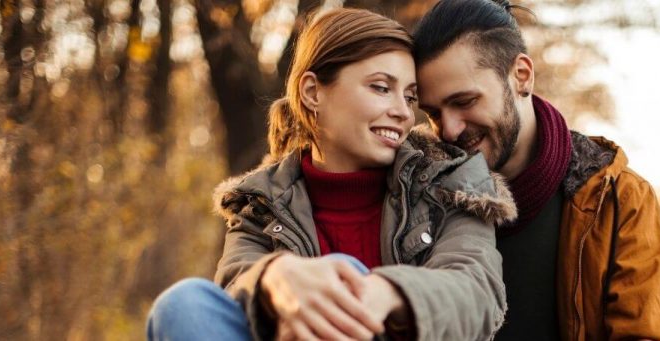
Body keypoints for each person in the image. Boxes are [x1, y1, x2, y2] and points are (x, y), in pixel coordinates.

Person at [147, 7, 515, 341]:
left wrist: (383, 294)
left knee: (343, 271)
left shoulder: (450, 181)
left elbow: (477, 290)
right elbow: (234, 285)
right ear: (312, 92)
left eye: (410, 96)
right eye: (382, 88)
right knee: (182, 305)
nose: (404, 112)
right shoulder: (261, 203)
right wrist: (276, 277)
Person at [411, 0, 660, 340]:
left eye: (464, 102)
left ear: (521, 76)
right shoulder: (414, 196)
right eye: (433, 113)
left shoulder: (617, 199)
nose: (449, 130)